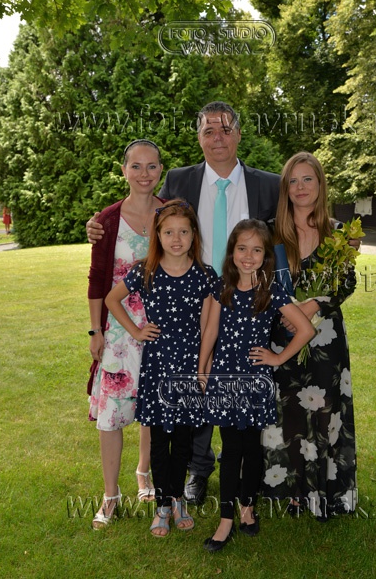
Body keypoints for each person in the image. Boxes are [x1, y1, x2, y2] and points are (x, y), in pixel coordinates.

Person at [86, 101, 281, 505]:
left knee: (237, 384)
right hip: (188, 307)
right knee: (190, 384)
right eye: (209, 131)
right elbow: (146, 214)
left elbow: (299, 218)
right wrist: (97, 224)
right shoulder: (179, 180)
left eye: (225, 129)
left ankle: (246, 472)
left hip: (244, 305)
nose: (218, 138)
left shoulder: (268, 185)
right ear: (199, 138)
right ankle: (197, 470)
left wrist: (338, 231)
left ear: (239, 133)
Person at [198, 219, 315, 552]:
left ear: (265, 257)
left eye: (256, 250)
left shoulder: (270, 290)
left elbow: (306, 329)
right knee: (230, 451)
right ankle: (225, 520)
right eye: (242, 248)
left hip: (254, 382)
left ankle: (248, 509)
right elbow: (210, 331)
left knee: (252, 449)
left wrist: (277, 358)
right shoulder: (222, 286)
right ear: (232, 251)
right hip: (224, 379)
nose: (248, 256)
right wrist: (202, 368)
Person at [105, 199, 217, 536]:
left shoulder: (205, 276)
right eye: (169, 232)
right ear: (158, 235)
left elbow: (208, 327)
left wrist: (203, 370)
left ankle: (177, 500)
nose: (176, 238)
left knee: (182, 439)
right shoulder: (146, 271)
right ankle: (162, 507)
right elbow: (112, 299)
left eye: (183, 231)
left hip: (188, 367)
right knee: (158, 441)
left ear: (194, 234)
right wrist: (137, 330)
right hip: (157, 365)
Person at [262, 152, 357, 521]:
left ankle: (325, 491)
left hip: (324, 337)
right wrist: (287, 311)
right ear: (285, 188)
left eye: (307, 179)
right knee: (287, 410)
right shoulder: (270, 231)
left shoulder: (339, 234)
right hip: (281, 334)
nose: (300, 187)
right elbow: (253, 275)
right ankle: (291, 491)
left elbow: (345, 283)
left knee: (324, 411)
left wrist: (313, 305)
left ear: (320, 184)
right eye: (293, 181)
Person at [87, 139, 165, 529]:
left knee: (152, 409)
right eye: (136, 166)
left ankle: (144, 474)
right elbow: (97, 279)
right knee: (112, 416)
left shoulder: (173, 213)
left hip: (161, 329)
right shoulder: (107, 219)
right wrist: (94, 330)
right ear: (124, 171)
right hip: (117, 332)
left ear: (161, 170)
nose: (144, 174)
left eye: (151, 166)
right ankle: (110, 494)